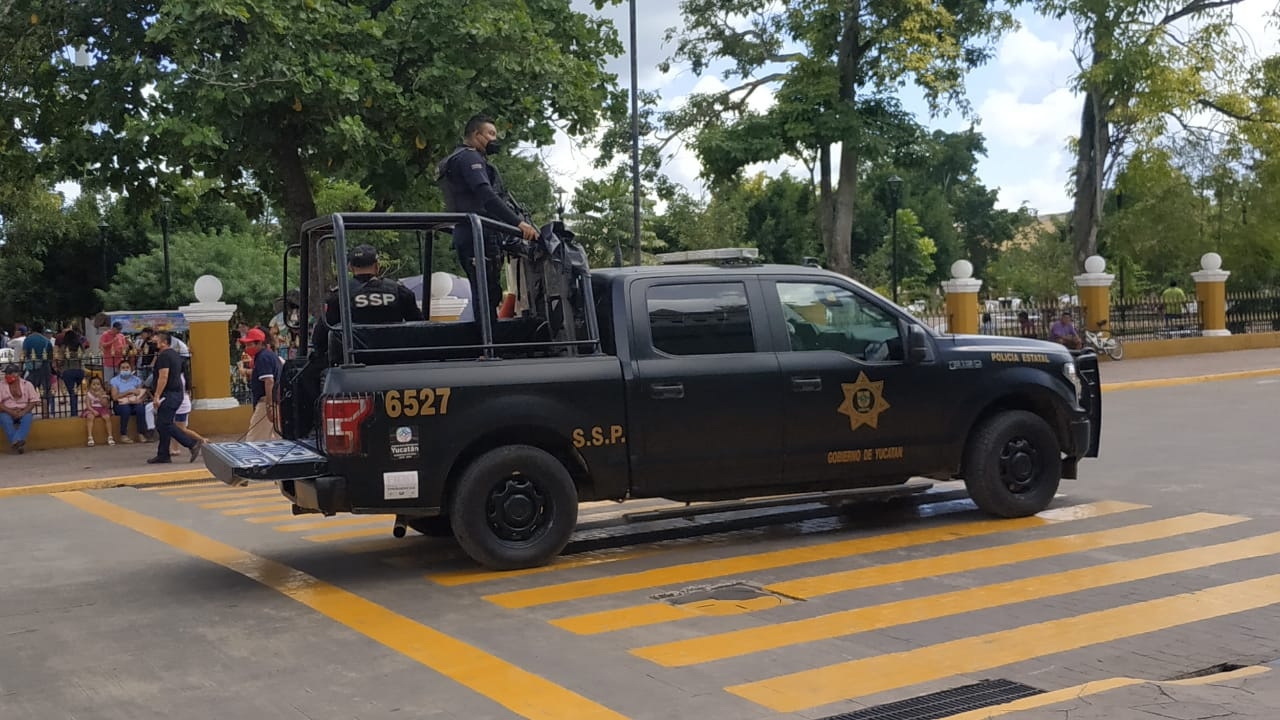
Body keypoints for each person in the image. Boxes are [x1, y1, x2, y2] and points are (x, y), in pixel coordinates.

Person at [436, 114, 538, 322]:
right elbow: (487, 196)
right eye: (490, 134)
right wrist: (518, 223)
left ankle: (488, 346)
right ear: (476, 134)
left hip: (471, 234)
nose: (494, 139)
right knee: (486, 293)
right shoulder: (469, 157)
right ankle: (488, 348)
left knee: (486, 291)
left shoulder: (456, 159)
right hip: (479, 235)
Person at [319, 245, 424, 351]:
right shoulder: (400, 292)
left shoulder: (339, 296)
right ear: (377, 266)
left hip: (354, 360)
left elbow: (320, 338)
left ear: (350, 267)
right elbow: (420, 329)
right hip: (396, 359)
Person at [147, 331, 201, 464]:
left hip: (169, 394)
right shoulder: (176, 356)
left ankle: (191, 443)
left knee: (165, 423)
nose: (153, 341)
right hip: (177, 394)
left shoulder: (164, 356)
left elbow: (163, 377)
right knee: (162, 424)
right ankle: (163, 454)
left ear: (164, 342)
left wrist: (157, 395)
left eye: (156, 339)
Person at [238, 327, 282, 441]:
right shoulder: (268, 355)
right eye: (246, 345)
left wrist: (269, 406)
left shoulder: (263, 357)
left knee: (254, 439)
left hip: (266, 401)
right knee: (277, 437)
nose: (247, 348)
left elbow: (269, 381)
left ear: (260, 343)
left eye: (249, 344)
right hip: (275, 400)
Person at [1, 363, 39, 453]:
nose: (7, 376)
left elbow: (33, 400)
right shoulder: (1, 385)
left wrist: (23, 412)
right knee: (5, 420)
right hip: (6, 411)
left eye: (10, 373)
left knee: (27, 418)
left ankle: (16, 441)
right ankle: (18, 443)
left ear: (17, 374)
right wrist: (11, 411)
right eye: (6, 373)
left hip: (23, 410)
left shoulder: (27, 384)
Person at [109, 360, 149, 443]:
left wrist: (139, 400)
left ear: (131, 368)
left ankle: (141, 433)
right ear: (119, 369)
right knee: (125, 409)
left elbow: (142, 393)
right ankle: (123, 435)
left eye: (127, 367)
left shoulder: (136, 380)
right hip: (121, 403)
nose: (125, 369)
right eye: (123, 368)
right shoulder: (114, 380)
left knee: (140, 409)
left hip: (134, 402)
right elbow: (115, 397)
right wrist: (128, 392)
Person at [82, 375, 114, 446]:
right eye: (93, 384)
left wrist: (100, 396)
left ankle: (110, 436)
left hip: (102, 409)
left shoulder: (103, 394)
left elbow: (105, 404)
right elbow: (88, 405)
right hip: (92, 409)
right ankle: (90, 437)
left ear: (101, 385)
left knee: (107, 417)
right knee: (90, 417)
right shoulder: (88, 394)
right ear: (90, 386)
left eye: (98, 384)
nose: (96, 386)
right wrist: (93, 411)